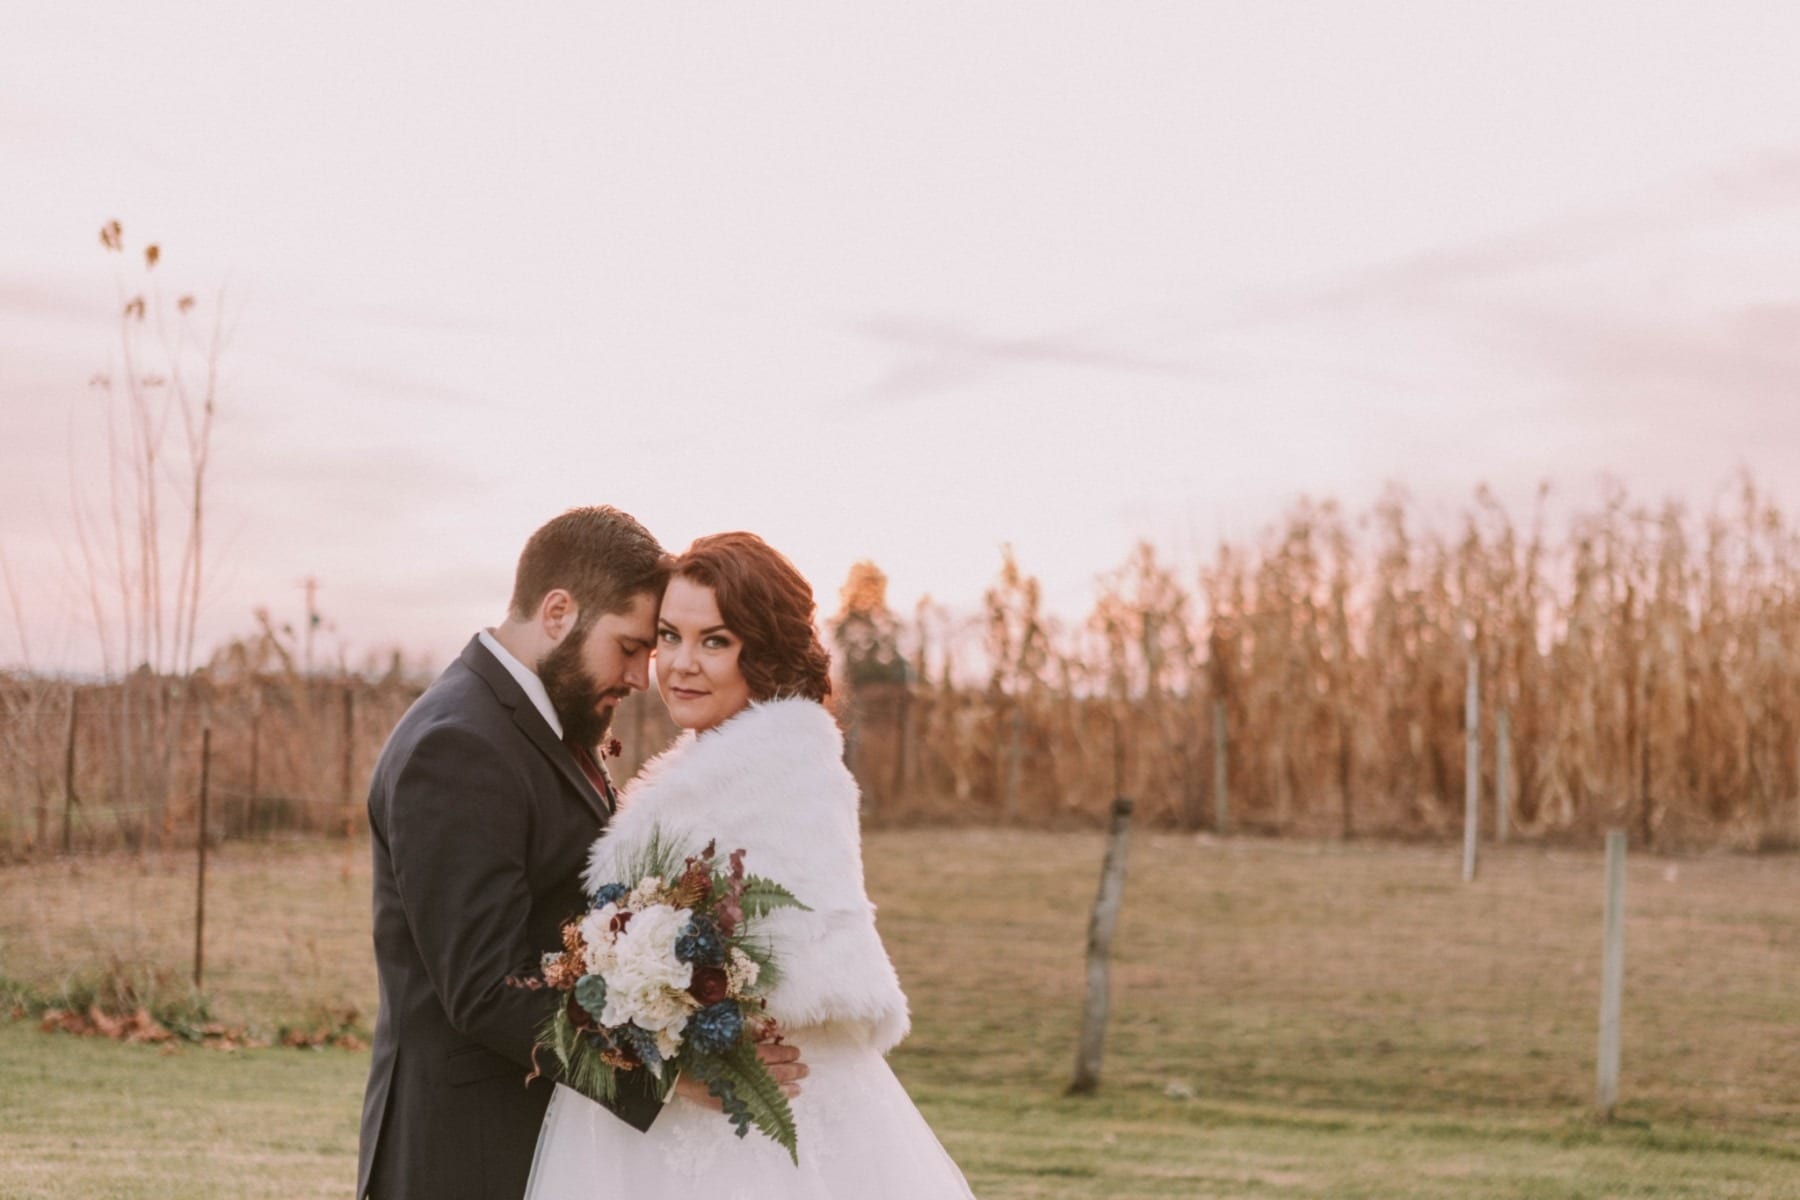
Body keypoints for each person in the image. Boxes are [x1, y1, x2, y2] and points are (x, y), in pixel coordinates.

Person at [357, 508, 808, 1200]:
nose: (639, 675)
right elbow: (484, 988)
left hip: (539, 1134)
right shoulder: (458, 745)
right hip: (467, 1150)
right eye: (630, 646)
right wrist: (666, 1073)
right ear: (560, 612)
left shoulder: (545, 717)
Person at [525, 532, 977, 1199]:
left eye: (715, 641)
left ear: (760, 650)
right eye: (669, 637)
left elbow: (783, 960)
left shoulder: (778, 770)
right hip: (683, 1096)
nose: (681, 664)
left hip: (749, 1105)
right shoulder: (713, 766)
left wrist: (668, 998)